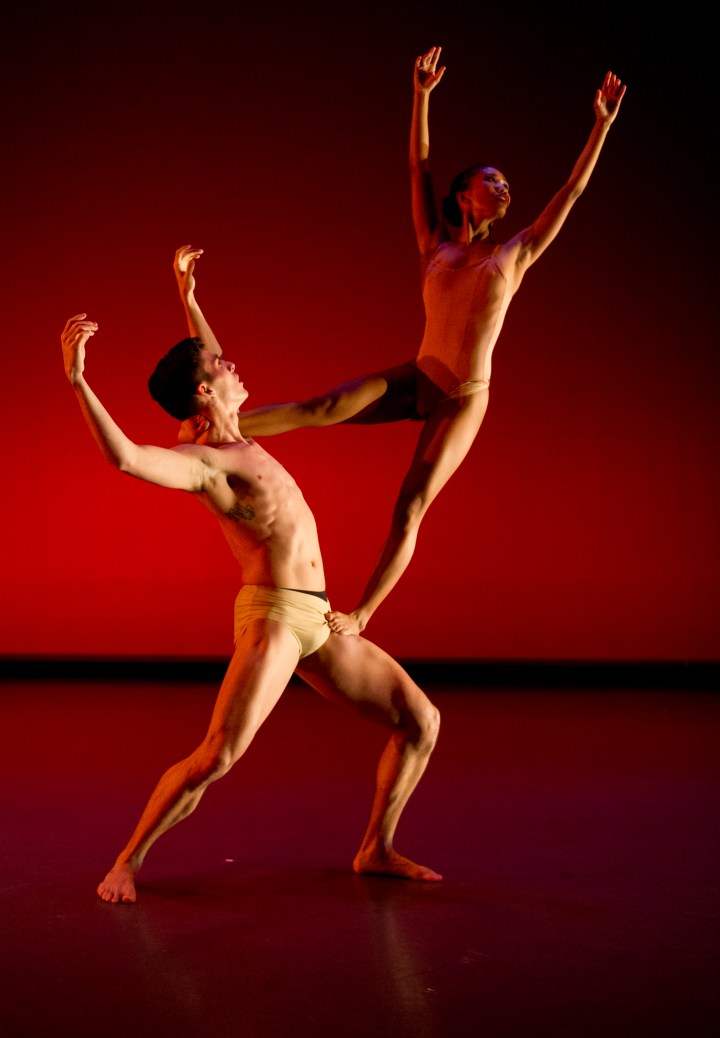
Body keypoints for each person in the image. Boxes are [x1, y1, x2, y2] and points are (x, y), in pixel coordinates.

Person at [181, 47, 626, 638]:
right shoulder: (435, 248)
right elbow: (419, 167)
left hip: (462, 396)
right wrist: (421, 97)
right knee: (320, 408)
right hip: (420, 375)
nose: (504, 188)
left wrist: (600, 126)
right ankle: (217, 432)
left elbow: (568, 194)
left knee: (410, 504)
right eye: (492, 180)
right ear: (465, 196)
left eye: (508, 184)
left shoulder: (512, 255)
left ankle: (361, 613)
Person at [60, 267, 442, 906]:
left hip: (318, 619)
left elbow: (207, 363)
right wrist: (77, 378)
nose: (234, 362)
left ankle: (374, 848)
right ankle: (126, 861)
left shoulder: (242, 431)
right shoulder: (206, 461)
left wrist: (189, 299)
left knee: (420, 721)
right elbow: (126, 457)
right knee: (218, 756)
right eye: (222, 364)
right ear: (207, 391)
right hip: (272, 620)